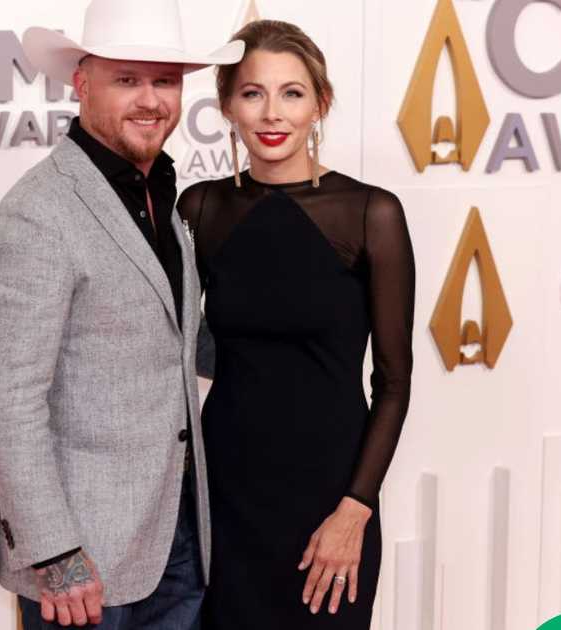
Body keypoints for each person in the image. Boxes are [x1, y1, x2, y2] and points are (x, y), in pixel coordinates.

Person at [0, 0, 243, 627]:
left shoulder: (160, 196)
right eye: (128, 79)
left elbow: (175, 343)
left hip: (177, 537)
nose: (151, 100)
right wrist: (56, 555)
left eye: (166, 81)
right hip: (81, 562)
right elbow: (7, 404)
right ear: (83, 84)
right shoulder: (38, 213)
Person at [177, 20, 416, 629]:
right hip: (226, 494)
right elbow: (177, 344)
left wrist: (355, 509)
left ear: (321, 104)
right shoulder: (200, 208)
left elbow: (392, 382)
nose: (271, 113)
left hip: (331, 496)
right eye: (252, 93)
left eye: (292, 93)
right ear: (227, 105)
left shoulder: (370, 213)